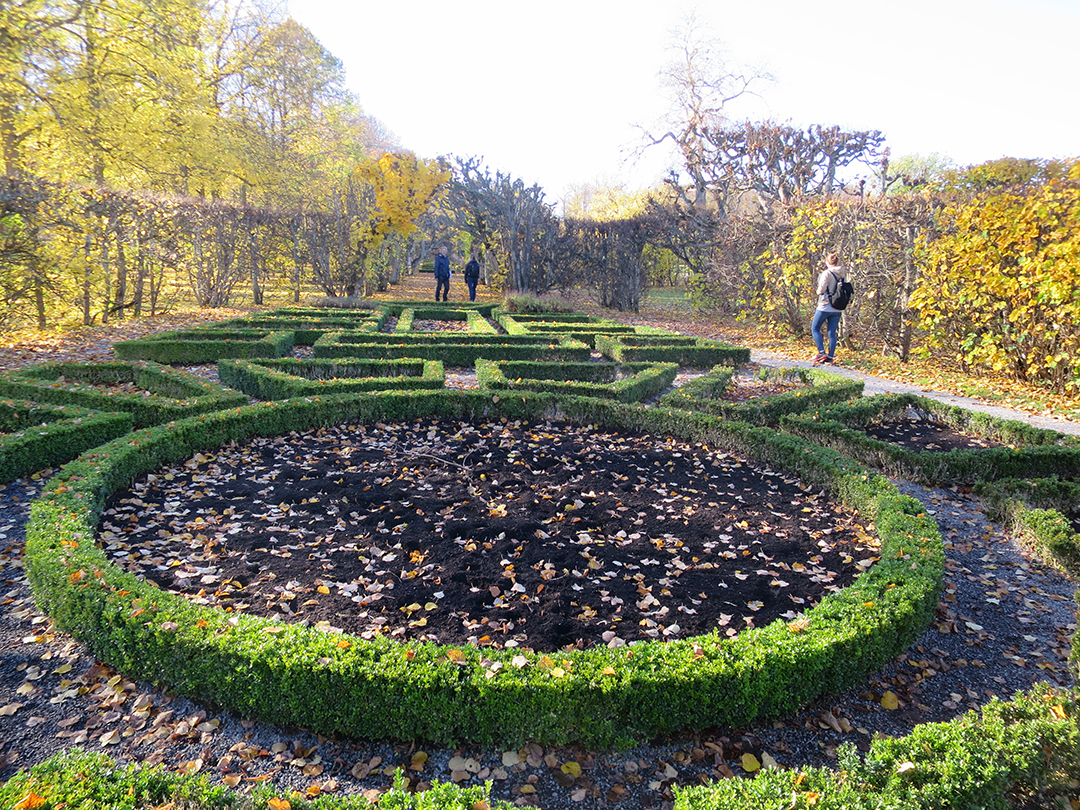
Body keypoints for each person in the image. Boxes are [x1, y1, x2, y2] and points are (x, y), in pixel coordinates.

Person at [811, 252, 847, 364]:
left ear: (827, 262)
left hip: (824, 306)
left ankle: (821, 352)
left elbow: (821, 290)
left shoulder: (827, 273)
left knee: (815, 328)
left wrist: (817, 291)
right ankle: (830, 357)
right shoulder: (842, 273)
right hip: (837, 307)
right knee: (832, 333)